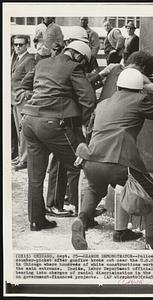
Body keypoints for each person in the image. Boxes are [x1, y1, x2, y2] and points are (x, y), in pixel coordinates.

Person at [71, 67, 153, 250]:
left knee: (95, 190)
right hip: (119, 160)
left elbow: (90, 131)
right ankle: (152, 242)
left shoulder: (103, 103)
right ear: (139, 88)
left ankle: (83, 220)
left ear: (118, 86)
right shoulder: (140, 99)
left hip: (91, 160)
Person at [20, 40, 96, 231]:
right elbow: (88, 99)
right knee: (79, 166)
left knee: (35, 176)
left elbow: (25, 83)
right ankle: (84, 218)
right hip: (53, 123)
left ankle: (36, 220)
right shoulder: (74, 66)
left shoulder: (42, 63)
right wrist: (83, 124)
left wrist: (46, 94)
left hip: (29, 120)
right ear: (79, 56)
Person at [11, 35, 36, 171]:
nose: (18, 47)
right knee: (18, 129)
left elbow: (32, 80)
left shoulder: (29, 60)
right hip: (14, 98)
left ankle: (25, 159)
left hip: (22, 99)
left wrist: (26, 94)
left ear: (27, 45)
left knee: (23, 130)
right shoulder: (17, 59)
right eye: (15, 45)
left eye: (21, 45)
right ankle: (21, 156)